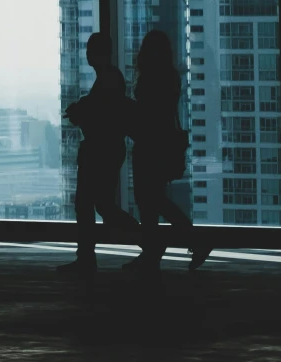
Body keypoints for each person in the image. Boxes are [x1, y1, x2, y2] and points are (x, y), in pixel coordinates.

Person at [129, 29, 211, 274]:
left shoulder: (150, 78)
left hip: (149, 145)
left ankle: (177, 245)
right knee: (153, 200)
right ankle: (156, 252)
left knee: (150, 201)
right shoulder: (171, 76)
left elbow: (147, 113)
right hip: (161, 145)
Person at [59, 30, 140, 277]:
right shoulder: (111, 78)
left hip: (100, 150)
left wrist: (81, 110)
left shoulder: (107, 80)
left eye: (90, 50)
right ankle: (144, 241)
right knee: (101, 205)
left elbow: (101, 114)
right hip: (107, 149)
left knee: (89, 204)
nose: (88, 55)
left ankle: (88, 257)